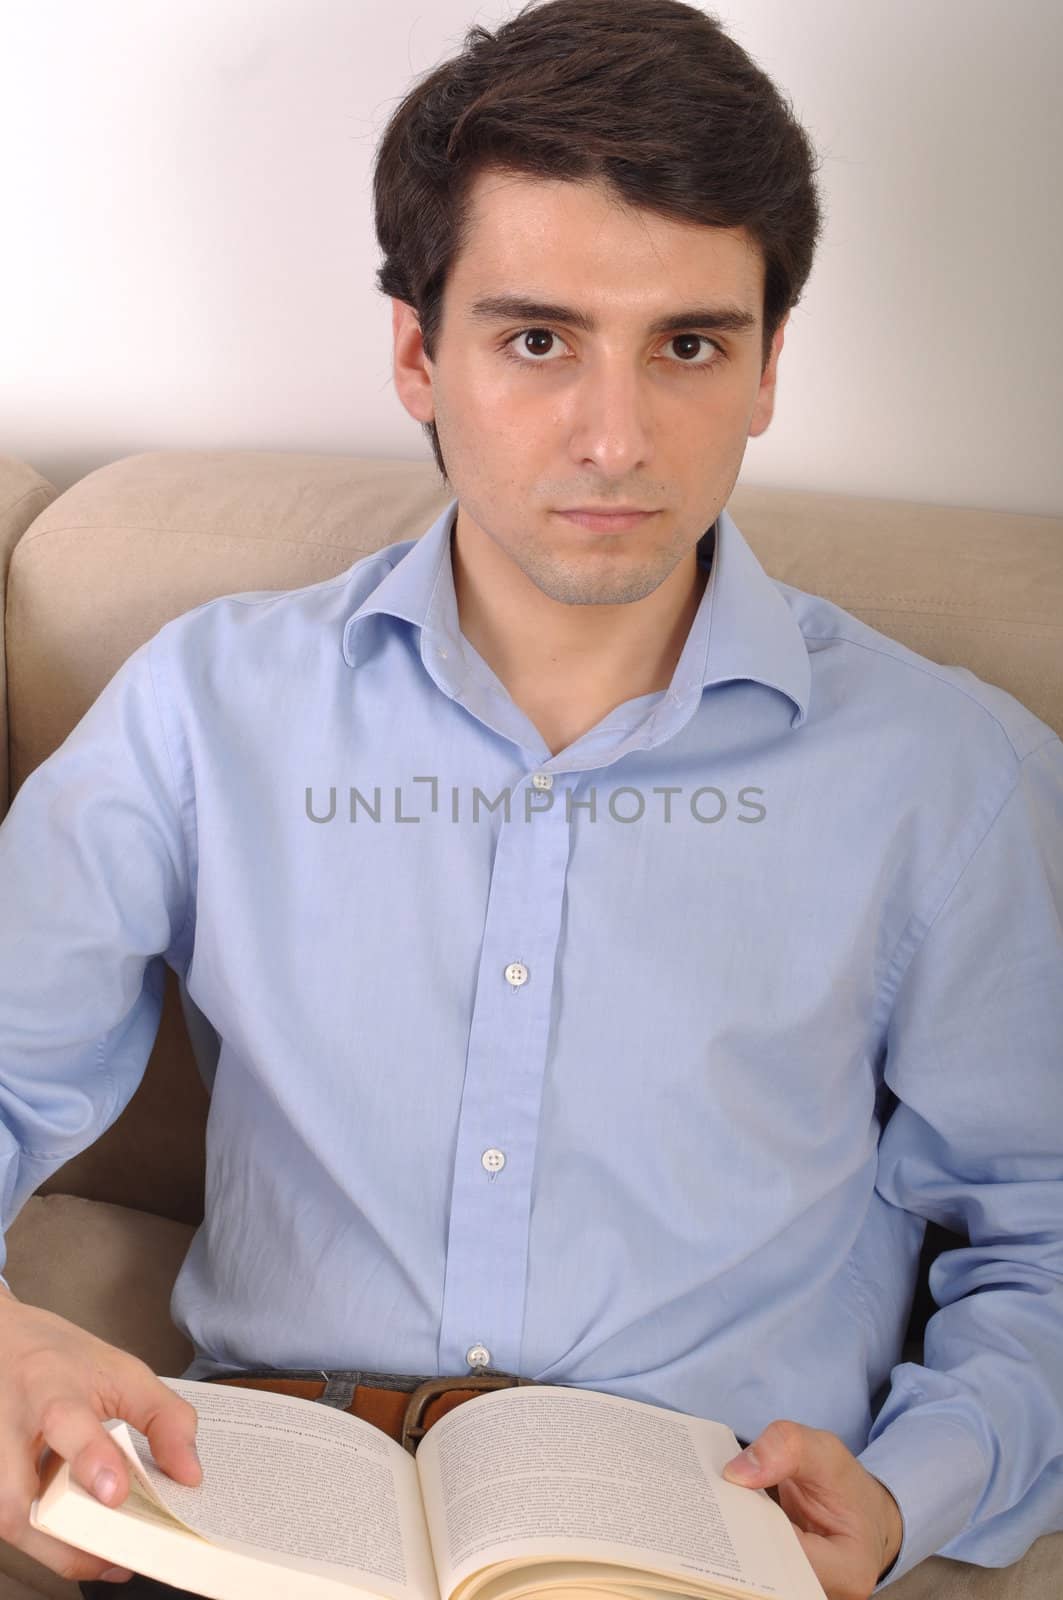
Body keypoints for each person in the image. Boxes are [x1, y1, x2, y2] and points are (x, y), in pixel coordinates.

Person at [0, 1, 1060, 1597]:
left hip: (689, 1531)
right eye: (538, 339)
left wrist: (911, 1492)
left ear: (770, 367)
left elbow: (1047, 1222)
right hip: (264, 1509)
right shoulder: (204, 709)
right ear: (422, 357)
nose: (616, 435)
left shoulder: (953, 779)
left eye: (689, 345)